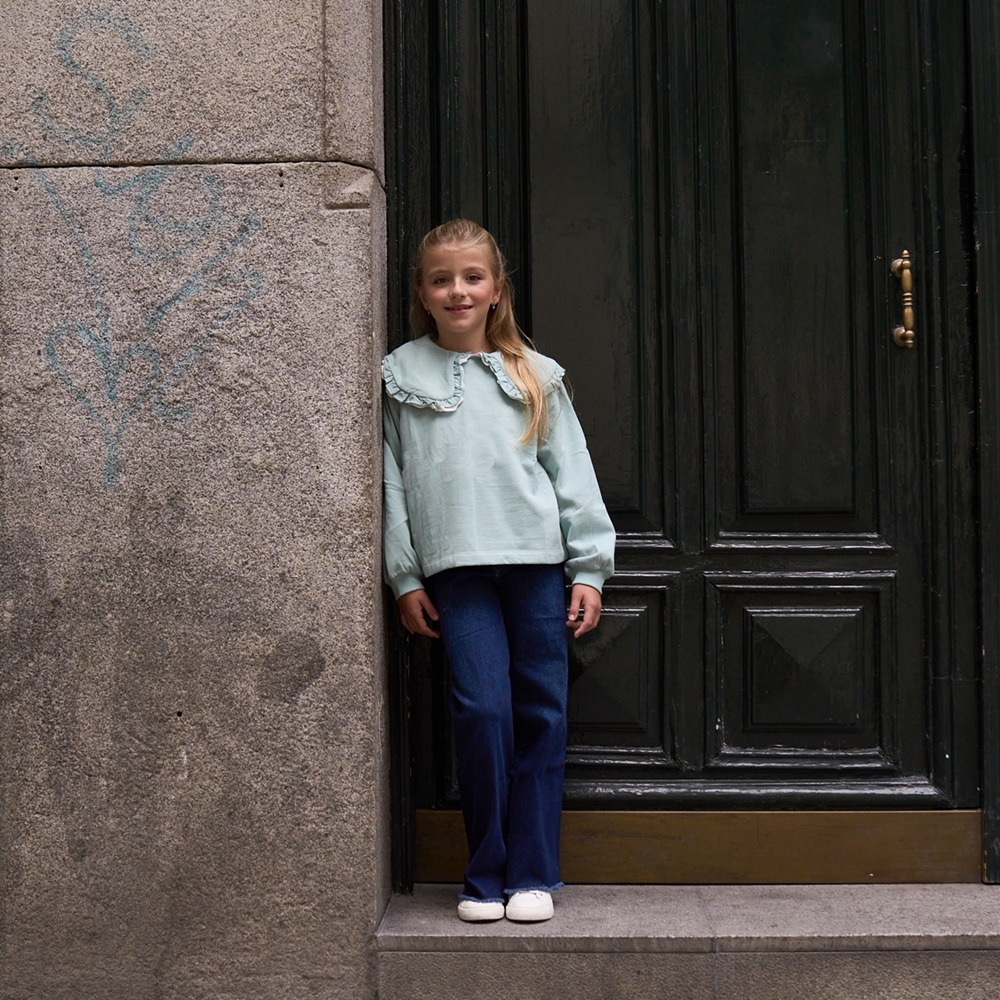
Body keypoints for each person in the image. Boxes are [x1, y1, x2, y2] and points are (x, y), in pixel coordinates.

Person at [382, 219, 615, 923]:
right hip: (456, 572)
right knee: (482, 712)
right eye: (442, 279)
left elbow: (571, 473)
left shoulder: (533, 376)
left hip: (537, 568)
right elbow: (389, 484)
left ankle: (533, 872)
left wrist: (589, 569)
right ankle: (483, 872)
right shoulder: (400, 375)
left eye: (472, 277)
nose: (458, 290)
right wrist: (405, 577)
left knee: (541, 712)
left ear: (496, 289)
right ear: (422, 293)